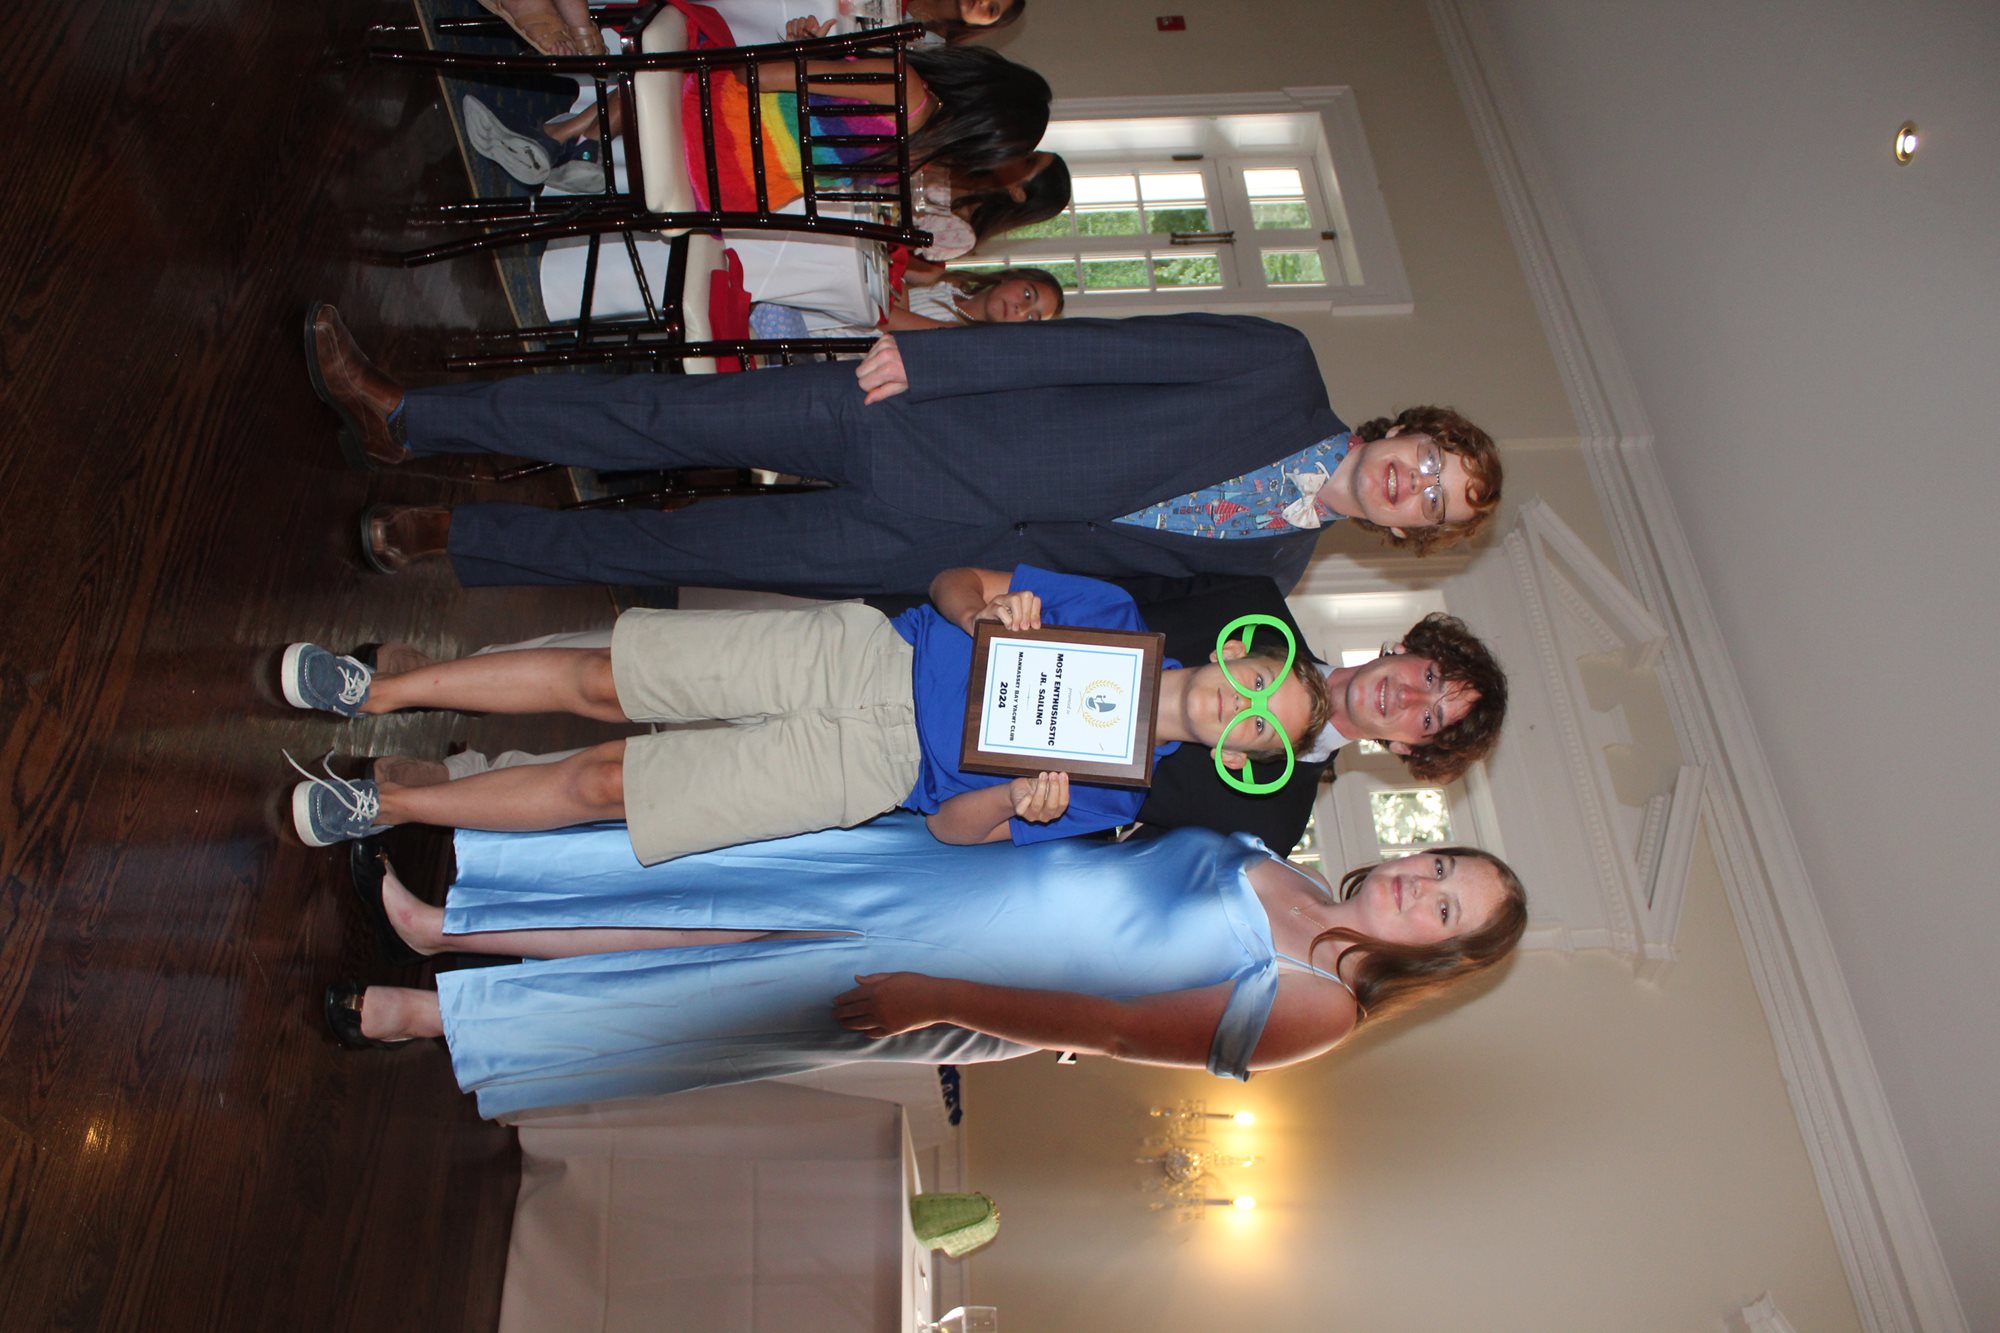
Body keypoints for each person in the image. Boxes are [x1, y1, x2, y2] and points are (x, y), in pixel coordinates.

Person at [323, 815, 1528, 1119]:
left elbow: (1114, 1030)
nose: (1416, 885)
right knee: (711, 892)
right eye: (1438, 865)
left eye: (1443, 907)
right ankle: (446, 926)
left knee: (696, 1000)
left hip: (969, 984)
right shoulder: (1284, 859)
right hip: (942, 873)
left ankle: (424, 1018)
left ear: (1439, 952)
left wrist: (939, 999)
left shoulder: (1319, 1010)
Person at [303, 304, 1505, 596]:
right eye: (1429, 459)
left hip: (924, 550)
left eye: (1430, 503)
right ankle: (406, 420)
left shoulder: (1272, 577)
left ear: (1407, 533)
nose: (1413, 483)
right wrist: (944, 360)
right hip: (913, 415)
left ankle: (451, 536)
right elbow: (1103, 347)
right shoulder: (1277, 367)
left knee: (676, 548)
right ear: (1402, 428)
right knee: (650, 418)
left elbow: (1118, 598)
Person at [280, 565, 1333, 862]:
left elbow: (949, 829)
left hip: (866, 774)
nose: (1239, 701)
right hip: (862, 654)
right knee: (606, 679)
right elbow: (952, 581)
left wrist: (1014, 796)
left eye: (1257, 723)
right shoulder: (1108, 613)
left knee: (609, 785)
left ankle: (389, 805)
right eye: (1255, 677)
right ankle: (382, 690)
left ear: (1242, 758)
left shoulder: (1114, 797)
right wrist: (984, 610)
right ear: (1234, 649)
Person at [885, 265, 1063, 330]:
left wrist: (897, 282)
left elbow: (885, 320)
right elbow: (894, 258)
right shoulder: (951, 282)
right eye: (1027, 295)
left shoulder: (960, 334)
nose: (1021, 309)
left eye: (1031, 318)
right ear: (1012, 277)